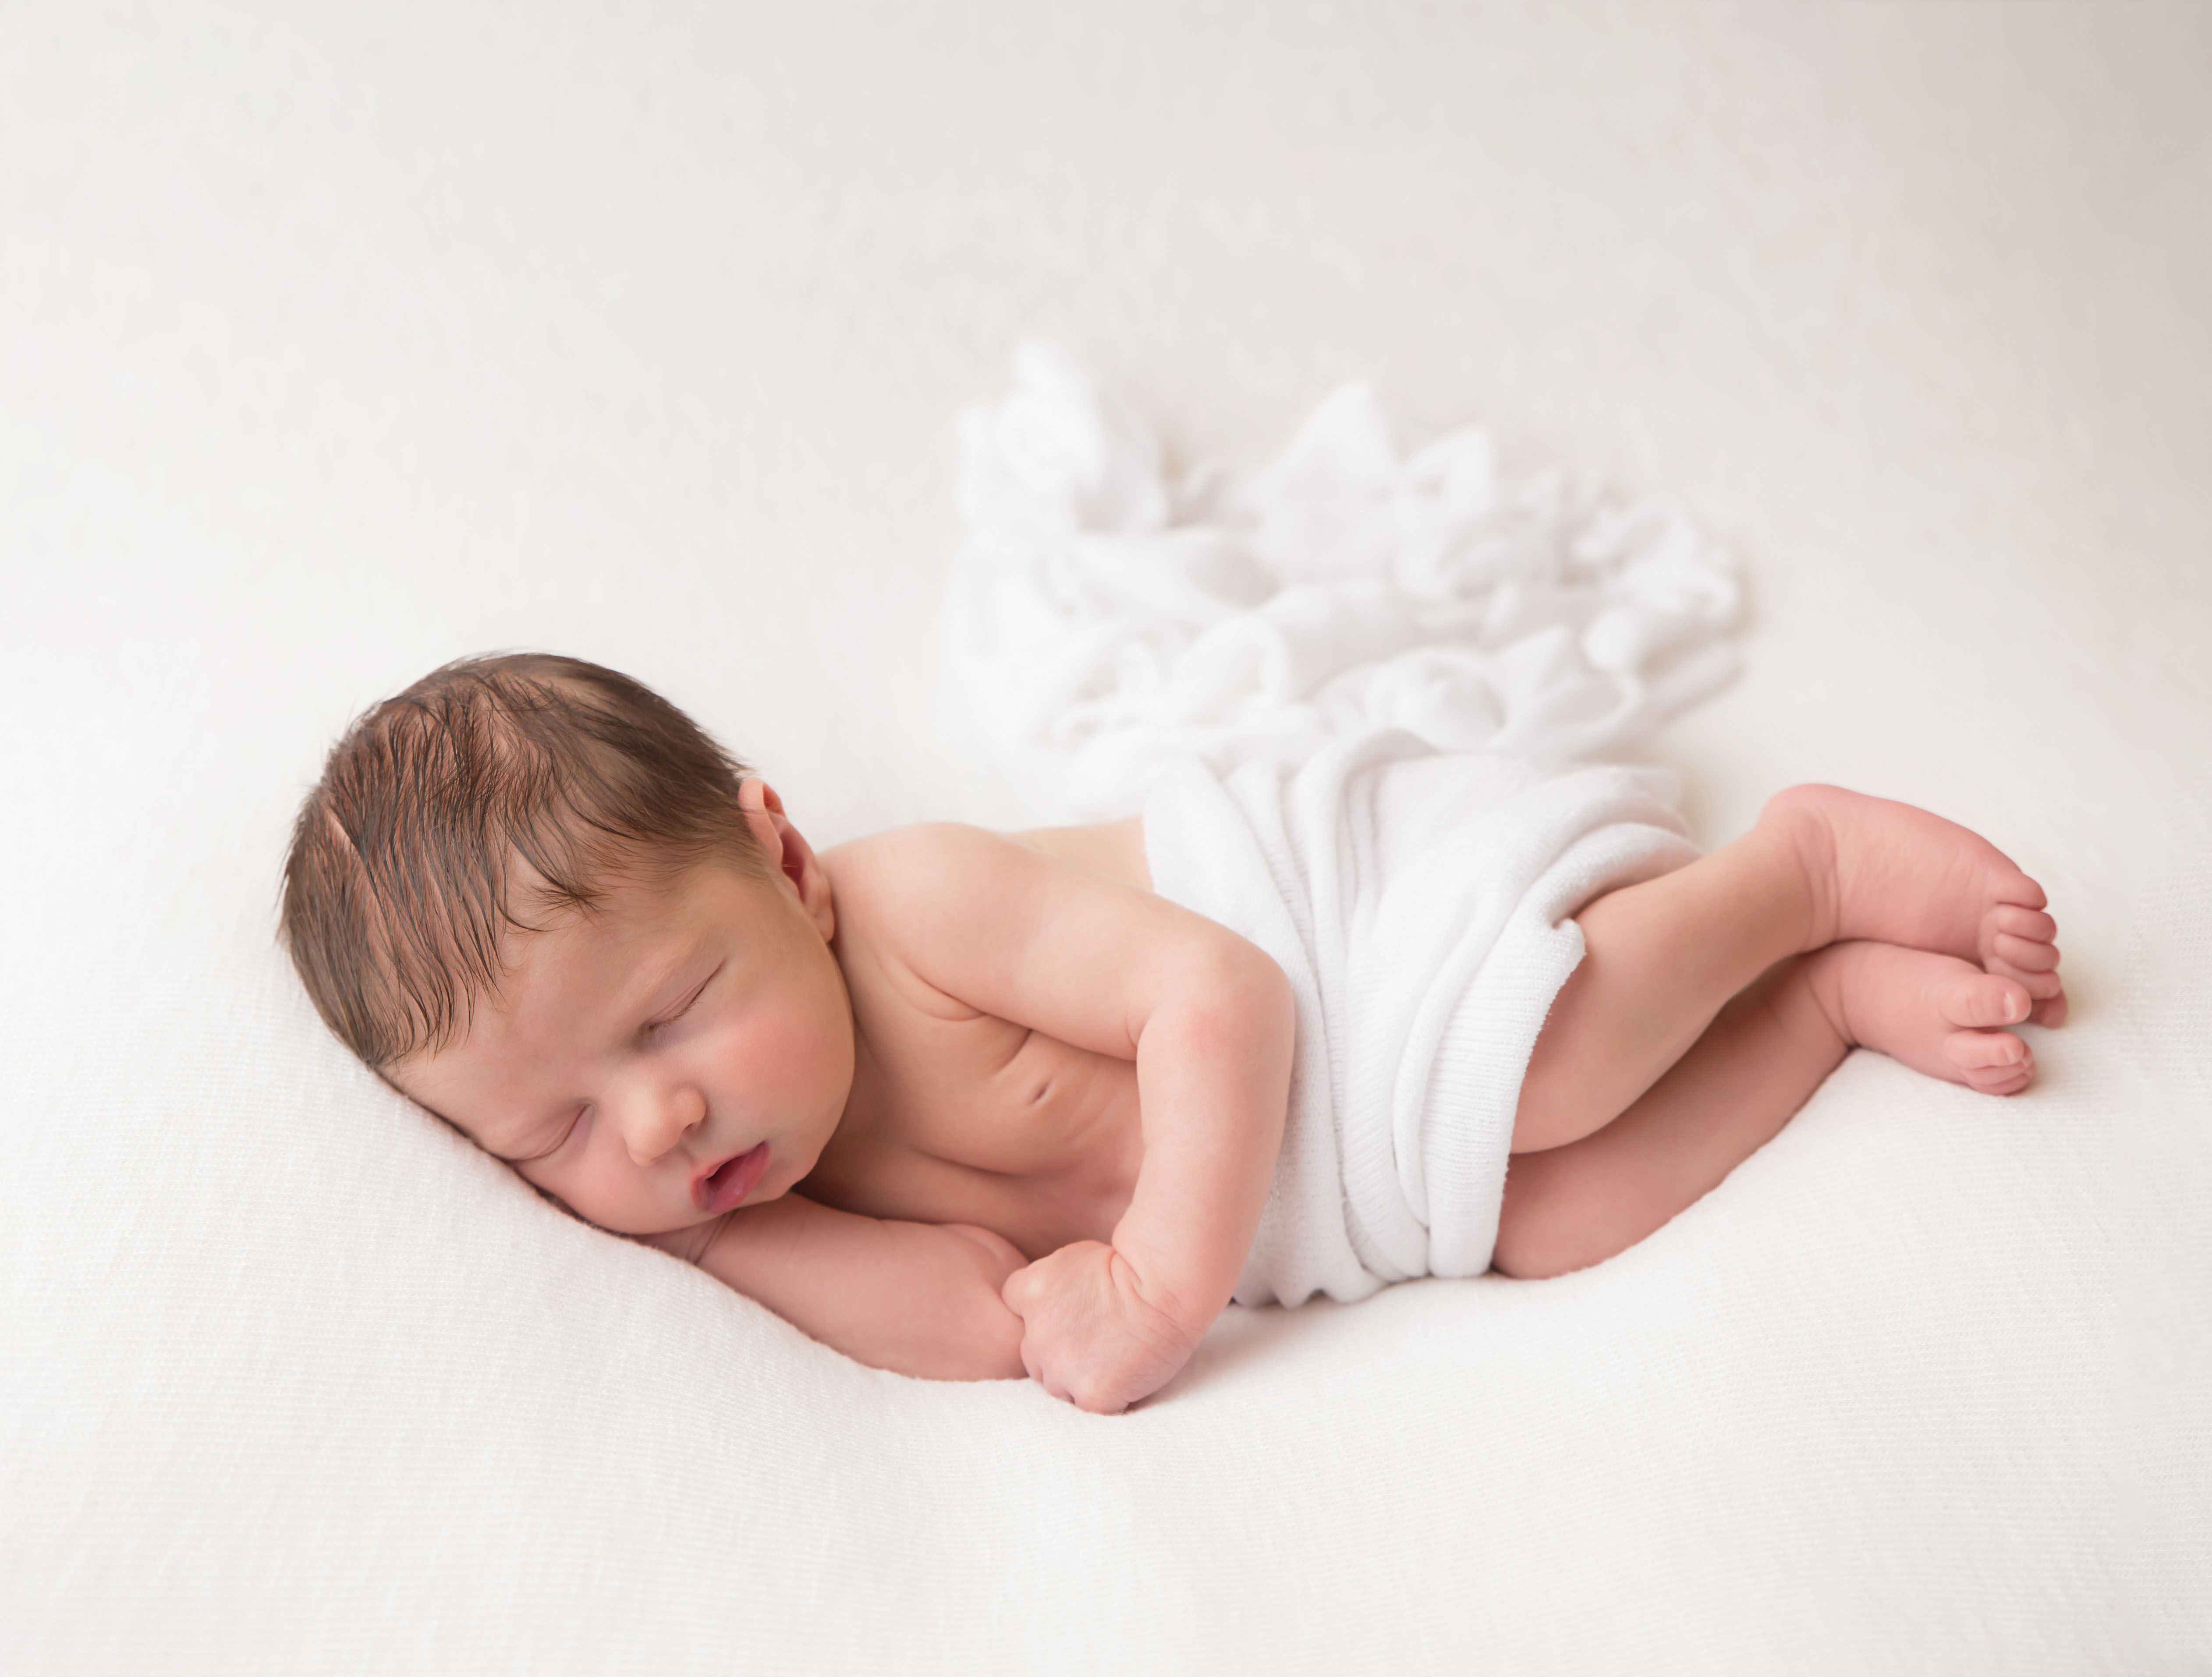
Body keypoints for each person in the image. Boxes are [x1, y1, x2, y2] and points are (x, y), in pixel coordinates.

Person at [281, 653, 2067, 1414]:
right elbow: (981, 1317)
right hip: (1309, 1180)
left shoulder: (916, 911)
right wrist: (736, 1238)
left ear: (783, 860)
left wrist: (1147, 1293)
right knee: (1558, 1213)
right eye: (551, 1135)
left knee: (1552, 1063)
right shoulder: (752, 1179)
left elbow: (1219, 995)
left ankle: (1796, 868)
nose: (656, 1116)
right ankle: (1814, 1004)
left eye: (670, 1009)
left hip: (1344, 932)